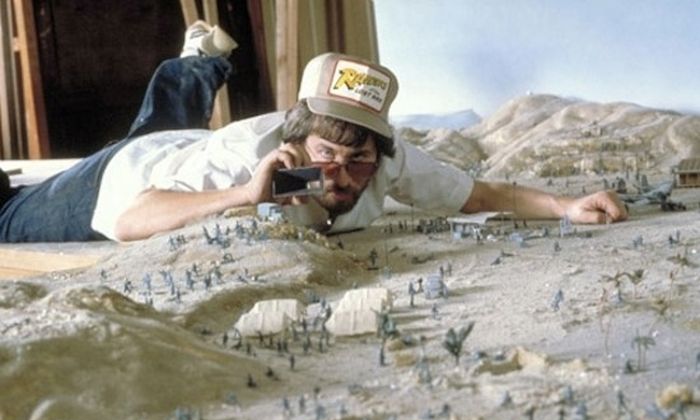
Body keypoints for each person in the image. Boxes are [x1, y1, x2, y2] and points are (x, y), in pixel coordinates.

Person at [0, 22, 626, 243]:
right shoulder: (247, 154)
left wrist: (565, 206)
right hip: (118, 182)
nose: (341, 177)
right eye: (326, 155)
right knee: (8, 217)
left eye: (359, 160)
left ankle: (198, 63)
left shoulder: (382, 160)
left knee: (168, 119)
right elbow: (131, 217)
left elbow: (478, 194)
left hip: (179, 149)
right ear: (295, 140)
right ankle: (195, 68)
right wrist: (245, 195)